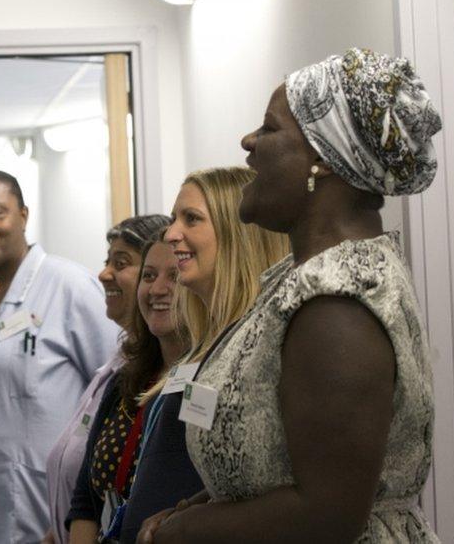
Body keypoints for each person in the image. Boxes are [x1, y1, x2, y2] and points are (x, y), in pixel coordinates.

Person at [139, 48, 441, 543]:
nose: (249, 142)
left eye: (271, 129)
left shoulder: (337, 303)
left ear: (322, 158)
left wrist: (181, 532)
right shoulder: (297, 278)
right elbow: (278, 469)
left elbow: (326, 514)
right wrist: (189, 511)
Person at [0, 168, 121, 543]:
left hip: (47, 517)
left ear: (23, 215)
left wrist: (88, 510)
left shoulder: (68, 286)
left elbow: (117, 393)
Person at [122, 167, 288, 543]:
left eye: (191, 219)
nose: (170, 234)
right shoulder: (205, 346)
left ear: (237, 233)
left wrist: (188, 523)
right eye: (173, 219)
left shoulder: (265, 342)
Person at [42, 214, 170, 544]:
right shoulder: (123, 371)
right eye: (107, 260)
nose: (103, 273)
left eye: (121, 262)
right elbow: (87, 492)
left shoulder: (178, 377)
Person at [67, 231, 189, 543]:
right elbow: (86, 501)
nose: (157, 289)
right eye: (149, 276)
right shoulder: (126, 380)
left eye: (174, 276)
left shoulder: (207, 382)